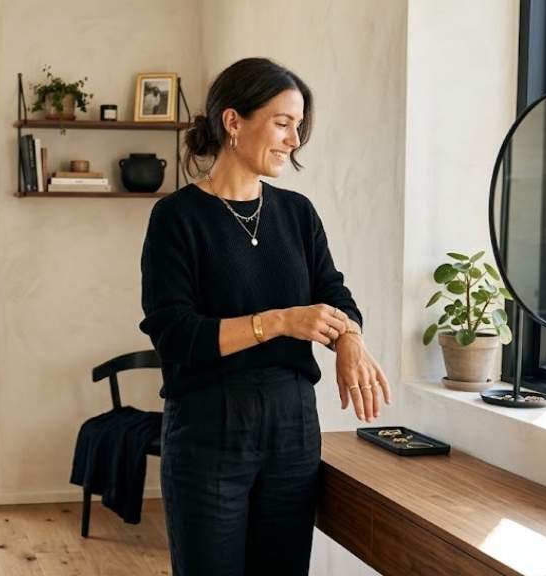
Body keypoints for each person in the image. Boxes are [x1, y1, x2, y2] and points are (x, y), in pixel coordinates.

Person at [139, 57, 391, 576]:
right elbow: (175, 335)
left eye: (299, 126)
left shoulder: (298, 214)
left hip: (293, 429)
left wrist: (350, 339)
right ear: (233, 121)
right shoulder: (176, 218)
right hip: (208, 430)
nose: (294, 141)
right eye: (282, 123)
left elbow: (335, 296)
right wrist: (278, 322)